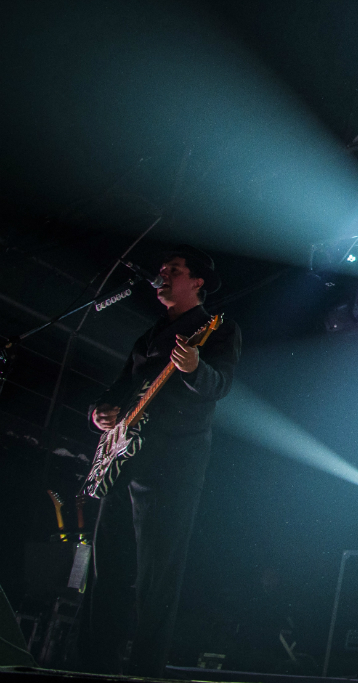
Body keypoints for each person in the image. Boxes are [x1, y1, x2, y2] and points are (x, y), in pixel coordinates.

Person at [78, 245, 241, 677]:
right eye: (163, 269)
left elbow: (218, 386)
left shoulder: (218, 329)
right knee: (105, 570)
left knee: (157, 576)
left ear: (198, 282)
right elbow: (120, 386)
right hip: (123, 461)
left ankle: (145, 670)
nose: (163, 274)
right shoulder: (149, 335)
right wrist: (99, 413)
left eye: (174, 270)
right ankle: (94, 665)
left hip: (172, 464)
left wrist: (193, 368)